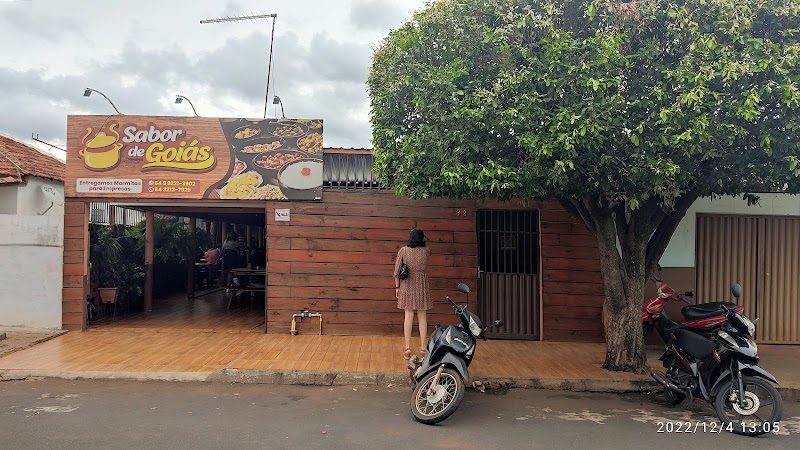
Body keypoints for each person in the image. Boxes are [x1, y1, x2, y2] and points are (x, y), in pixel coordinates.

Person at [394, 228, 432, 360]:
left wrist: (397, 287)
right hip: (422, 284)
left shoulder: (404, 250)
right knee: (422, 317)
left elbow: (396, 271)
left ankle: (407, 348)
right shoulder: (427, 251)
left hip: (407, 284)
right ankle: (423, 349)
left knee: (408, 316)